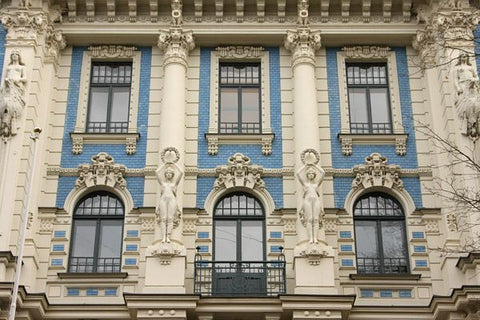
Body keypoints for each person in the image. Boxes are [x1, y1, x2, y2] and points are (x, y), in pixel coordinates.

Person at [297, 156, 325, 244]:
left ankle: (315, 238)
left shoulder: (316, 185)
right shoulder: (305, 185)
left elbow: (323, 173)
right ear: (307, 175)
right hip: (307, 202)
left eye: (313, 173)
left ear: (314, 175)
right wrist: (305, 165)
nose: (311, 174)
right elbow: (298, 173)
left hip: (316, 201)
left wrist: (314, 165)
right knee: (309, 219)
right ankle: (310, 238)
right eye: (309, 173)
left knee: (316, 219)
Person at [0, 50, 27, 139]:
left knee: (12, 103)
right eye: (13, 54)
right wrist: (1, 88)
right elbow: (4, 77)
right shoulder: (9, 67)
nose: (14, 56)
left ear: (19, 56)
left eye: (16, 54)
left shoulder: (22, 67)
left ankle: (10, 121)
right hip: (8, 86)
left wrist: (18, 79)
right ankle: (5, 123)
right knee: (6, 102)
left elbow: (25, 78)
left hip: (16, 86)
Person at [453, 54, 480, 137]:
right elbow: (455, 79)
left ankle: (474, 121)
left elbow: (477, 77)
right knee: (465, 102)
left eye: (465, 55)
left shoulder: (471, 68)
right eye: (462, 56)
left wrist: (473, 80)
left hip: (471, 85)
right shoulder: (457, 68)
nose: (464, 57)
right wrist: (458, 88)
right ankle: (467, 121)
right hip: (463, 85)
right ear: (460, 58)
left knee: (474, 102)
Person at [155, 161, 183, 243]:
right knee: (163, 219)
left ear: (172, 175)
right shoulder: (162, 184)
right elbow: (156, 172)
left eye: (170, 173)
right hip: (163, 200)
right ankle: (163, 237)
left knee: (170, 218)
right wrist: (164, 164)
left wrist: (174, 164)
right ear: (165, 174)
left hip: (172, 200)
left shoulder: (174, 185)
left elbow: (181, 172)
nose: (168, 174)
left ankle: (168, 237)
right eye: (167, 173)